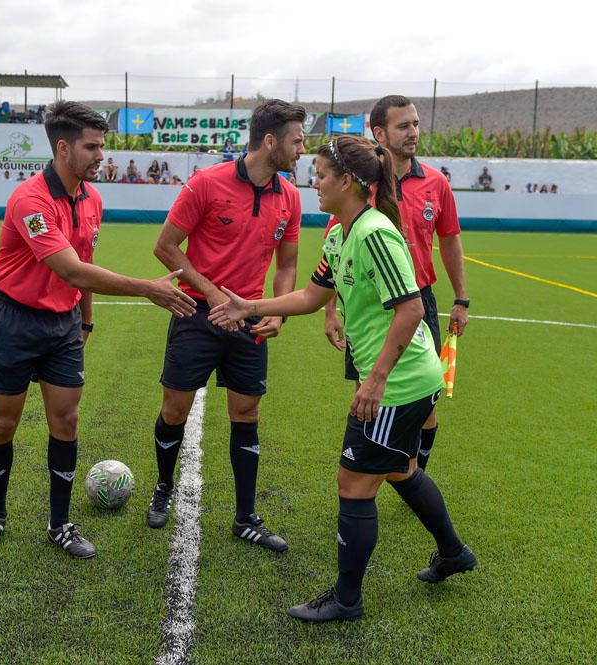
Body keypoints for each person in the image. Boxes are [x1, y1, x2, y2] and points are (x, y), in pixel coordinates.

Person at [209, 136, 476, 622]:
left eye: (322, 174)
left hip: (399, 385)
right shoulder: (339, 233)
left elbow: (412, 309)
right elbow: (312, 297)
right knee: (399, 470)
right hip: (403, 382)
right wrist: (252, 306)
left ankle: (347, 599)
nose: (314, 182)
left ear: (348, 181)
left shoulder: (376, 232)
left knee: (353, 484)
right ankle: (454, 553)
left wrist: (374, 381)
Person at [0, 101, 196, 560]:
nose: (100, 155)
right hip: (12, 319)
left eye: (102, 146)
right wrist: (147, 288)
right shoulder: (30, 201)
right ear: (63, 147)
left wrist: (85, 318)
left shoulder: (92, 198)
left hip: (64, 324)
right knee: (4, 423)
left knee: (66, 421)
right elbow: (71, 269)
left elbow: (84, 263)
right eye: (92, 147)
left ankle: (59, 524)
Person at [146, 99, 306, 552]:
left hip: (248, 320)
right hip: (195, 315)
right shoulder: (206, 183)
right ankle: (163, 487)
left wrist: (276, 309)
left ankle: (245, 517)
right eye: (296, 140)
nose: (302, 149)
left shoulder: (290, 197)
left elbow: (287, 265)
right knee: (174, 410)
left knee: (246, 414)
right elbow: (166, 247)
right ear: (270, 141)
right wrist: (213, 293)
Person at [325, 94, 468, 472]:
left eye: (416, 124)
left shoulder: (436, 183)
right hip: (368, 303)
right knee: (365, 393)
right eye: (403, 126)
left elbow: (450, 239)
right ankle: (368, 467)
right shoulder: (358, 183)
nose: (413, 132)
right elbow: (334, 250)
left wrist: (461, 299)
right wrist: (331, 310)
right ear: (378, 132)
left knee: (426, 405)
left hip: (416, 301)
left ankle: (413, 472)